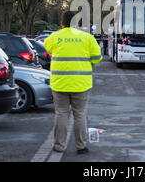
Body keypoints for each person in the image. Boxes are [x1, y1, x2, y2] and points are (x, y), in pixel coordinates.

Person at [44, 11, 102, 154]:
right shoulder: (87, 38)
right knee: (80, 114)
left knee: (61, 114)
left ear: (62, 23)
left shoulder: (54, 37)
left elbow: (48, 49)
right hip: (81, 84)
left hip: (60, 83)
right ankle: (81, 147)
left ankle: (59, 146)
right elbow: (97, 58)